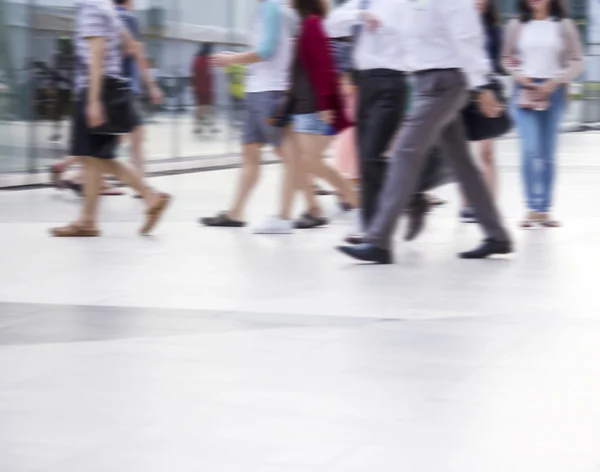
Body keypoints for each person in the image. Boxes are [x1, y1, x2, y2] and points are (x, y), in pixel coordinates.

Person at [337, 0, 512, 264]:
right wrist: (362, 15)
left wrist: (482, 86)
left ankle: (378, 240)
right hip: (422, 84)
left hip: (447, 83)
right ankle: (497, 236)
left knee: (405, 152)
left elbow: (468, 39)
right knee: (462, 162)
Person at [325, 0, 450, 245]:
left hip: (392, 83)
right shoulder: (361, 4)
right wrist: (360, 15)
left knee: (372, 156)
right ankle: (374, 228)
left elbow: (416, 38)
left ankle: (407, 200)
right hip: (364, 84)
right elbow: (330, 26)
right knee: (365, 161)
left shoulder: (404, 5)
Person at [50, 0, 170, 237]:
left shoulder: (92, 9)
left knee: (91, 157)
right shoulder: (106, 9)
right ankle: (88, 220)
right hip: (109, 87)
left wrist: (93, 101)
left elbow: (97, 54)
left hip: (95, 89)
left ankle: (150, 196)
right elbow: (130, 45)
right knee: (95, 158)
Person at [201, 0, 295, 230]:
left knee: (291, 156)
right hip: (256, 91)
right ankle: (236, 212)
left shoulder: (273, 6)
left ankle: (318, 205)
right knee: (250, 153)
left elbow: (267, 50)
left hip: (270, 93)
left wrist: (232, 58)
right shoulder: (265, 8)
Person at [272, 0, 357, 231]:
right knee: (293, 157)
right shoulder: (307, 25)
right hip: (303, 105)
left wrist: (324, 104)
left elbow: (323, 67)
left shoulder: (311, 24)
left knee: (308, 161)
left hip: (313, 106)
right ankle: (312, 210)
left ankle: (355, 200)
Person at [502, 0, 583, 228]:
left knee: (547, 155)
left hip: (553, 92)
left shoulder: (563, 25)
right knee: (529, 149)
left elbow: (578, 60)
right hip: (524, 93)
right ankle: (530, 208)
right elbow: (505, 57)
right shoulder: (516, 24)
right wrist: (518, 75)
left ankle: (544, 209)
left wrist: (556, 81)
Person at [460, 0, 504, 223]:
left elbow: (499, 63)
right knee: (461, 153)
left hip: (486, 90)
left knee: (487, 152)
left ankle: (489, 205)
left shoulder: (493, 29)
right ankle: (466, 204)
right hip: (460, 91)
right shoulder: (457, 23)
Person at [191, 43, 217, 135]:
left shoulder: (196, 60)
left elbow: (193, 74)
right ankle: (212, 126)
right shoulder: (209, 60)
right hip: (207, 87)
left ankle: (197, 126)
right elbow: (211, 73)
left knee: (199, 108)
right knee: (209, 107)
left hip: (197, 87)